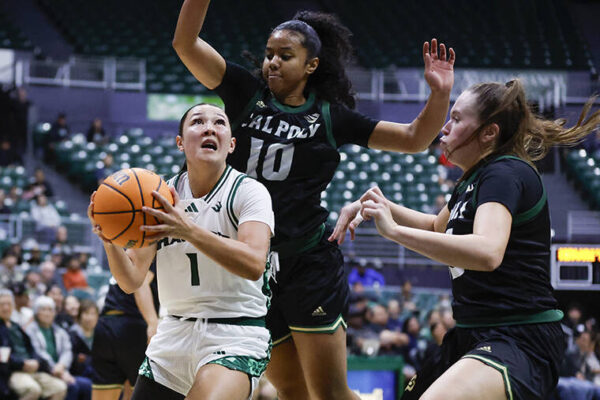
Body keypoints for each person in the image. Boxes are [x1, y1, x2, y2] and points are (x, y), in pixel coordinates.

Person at [172, 2, 454, 398]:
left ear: (311, 66)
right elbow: (185, 43)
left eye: (285, 56)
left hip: (308, 265)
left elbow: (414, 139)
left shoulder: (331, 117)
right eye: (269, 54)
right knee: (292, 392)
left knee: (329, 395)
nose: (272, 63)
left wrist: (440, 94)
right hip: (253, 268)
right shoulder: (243, 91)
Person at [332, 80, 600, 399]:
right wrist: (381, 206)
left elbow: (487, 252)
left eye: (457, 119)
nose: (445, 127)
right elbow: (435, 227)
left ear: (489, 132)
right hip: (472, 333)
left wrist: (394, 231)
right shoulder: (472, 180)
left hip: (519, 336)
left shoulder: (504, 173)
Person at [88, 103, 274, 400]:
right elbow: (131, 280)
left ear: (231, 144)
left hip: (234, 333)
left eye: (220, 123)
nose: (209, 127)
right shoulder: (158, 196)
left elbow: (254, 262)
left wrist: (188, 230)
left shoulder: (248, 191)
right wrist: (109, 239)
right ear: (180, 142)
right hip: (173, 334)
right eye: (198, 122)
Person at [91, 267, 158, 400]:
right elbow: (142, 284)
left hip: (106, 324)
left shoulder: (127, 251)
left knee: (107, 390)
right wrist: (153, 322)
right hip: (133, 325)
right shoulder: (151, 249)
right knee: (144, 391)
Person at [0, 289, 67, 400]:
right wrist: (22, 364)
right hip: (12, 371)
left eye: (9, 304)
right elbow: (3, 358)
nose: (6, 308)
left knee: (59, 387)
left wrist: (36, 361)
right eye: (2, 304)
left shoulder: (16, 326)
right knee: (32, 389)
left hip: (32, 368)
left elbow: (31, 349)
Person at [26, 296, 92, 400]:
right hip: (43, 371)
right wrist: (56, 370)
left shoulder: (60, 331)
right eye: (43, 309)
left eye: (50, 310)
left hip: (62, 371)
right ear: (37, 313)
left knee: (87, 385)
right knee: (72, 387)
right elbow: (38, 353)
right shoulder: (30, 331)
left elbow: (67, 351)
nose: (47, 313)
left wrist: (61, 366)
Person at [69, 300, 98, 379]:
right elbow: (73, 360)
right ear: (79, 315)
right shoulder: (72, 334)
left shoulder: (101, 334)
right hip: (79, 375)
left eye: (92, 314)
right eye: (86, 313)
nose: (89, 318)